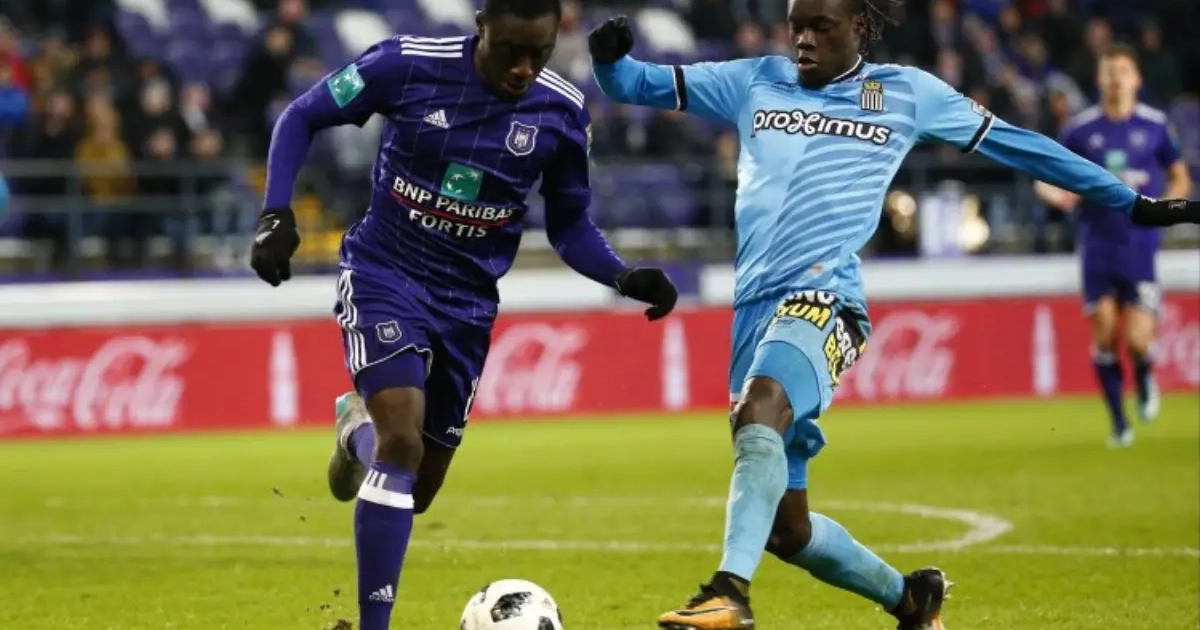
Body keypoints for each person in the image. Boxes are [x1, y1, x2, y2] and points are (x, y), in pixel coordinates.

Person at [587, 1, 1200, 628]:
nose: (803, 40)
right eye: (796, 26)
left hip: (827, 300)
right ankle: (911, 600)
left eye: (821, 27)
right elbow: (634, 83)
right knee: (787, 530)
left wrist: (1130, 202)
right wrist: (608, 59)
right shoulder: (754, 80)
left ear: (858, 27)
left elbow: (1023, 147)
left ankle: (728, 593)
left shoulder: (908, 94)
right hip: (753, 311)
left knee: (760, 408)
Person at [248, 0, 680, 628]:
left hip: (468, 306)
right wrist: (275, 212)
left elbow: (569, 224)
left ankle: (354, 432)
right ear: (482, 26)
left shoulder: (561, 112)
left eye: (539, 54)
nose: (524, 68)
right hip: (384, 273)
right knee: (401, 443)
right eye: (511, 52)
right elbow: (302, 115)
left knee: (415, 488)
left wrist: (621, 274)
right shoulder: (405, 66)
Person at [1035, 44, 1192, 448]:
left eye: (1123, 70)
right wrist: (1057, 195)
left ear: (1137, 78)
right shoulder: (1080, 129)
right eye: (1109, 71)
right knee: (1104, 333)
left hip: (1139, 245)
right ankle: (1120, 422)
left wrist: (1165, 208)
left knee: (1138, 339)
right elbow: (1046, 172)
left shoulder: (1156, 126)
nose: (1116, 78)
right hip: (1097, 244)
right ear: (1099, 79)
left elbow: (1180, 177)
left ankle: (1144, 374)